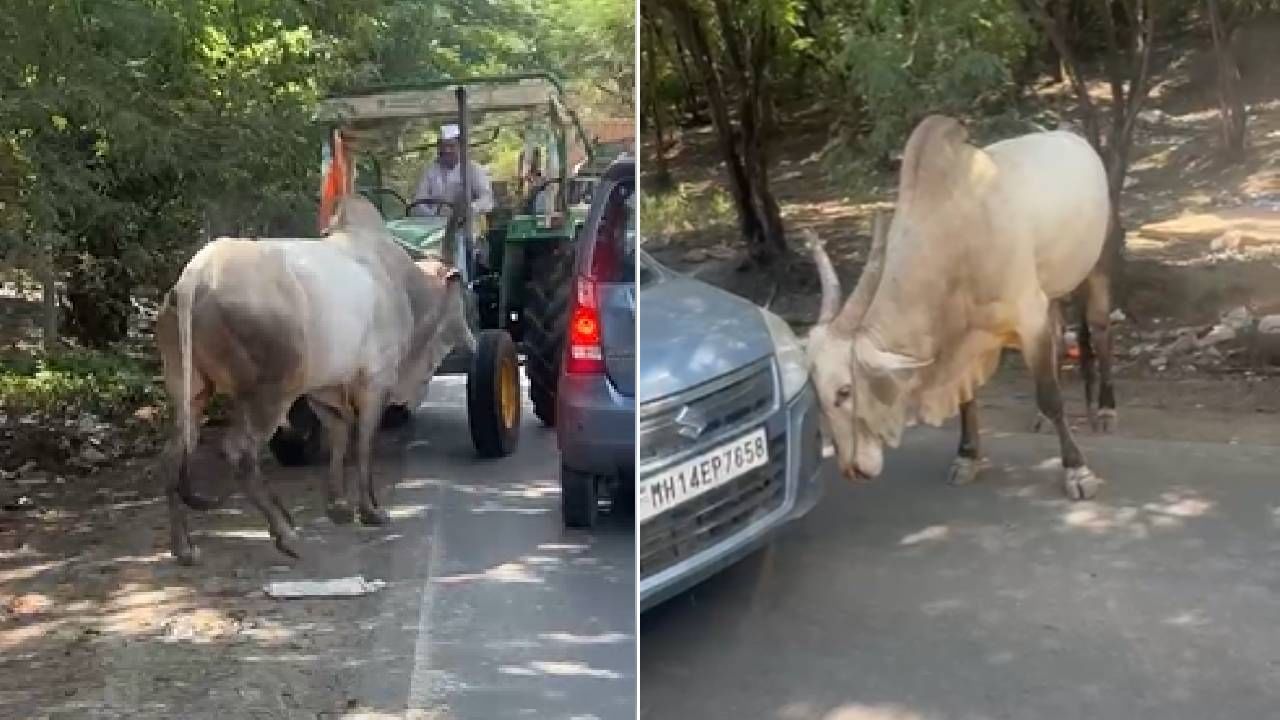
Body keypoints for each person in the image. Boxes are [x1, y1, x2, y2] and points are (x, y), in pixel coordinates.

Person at [411, 123, 494, 217]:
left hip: (465, 224)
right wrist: (431, 216)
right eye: (443, 146)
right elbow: (419, 201)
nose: (447, 150)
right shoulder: (430, 171)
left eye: (451, 146)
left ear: (460, 147)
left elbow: (486, 198)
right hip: (435, 224)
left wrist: (472, 208)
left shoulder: (473, 169)